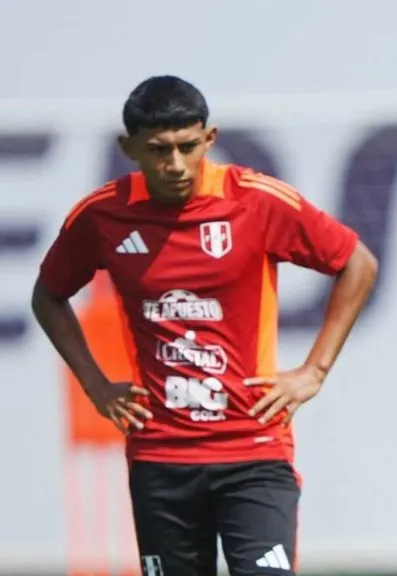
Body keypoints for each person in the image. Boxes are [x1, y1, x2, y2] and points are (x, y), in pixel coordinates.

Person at [32, 75, 378, 576]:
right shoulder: (102, 215)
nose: (175, 165)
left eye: (187, 147)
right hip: (160, 456)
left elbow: (357, 263)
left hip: (254, 450)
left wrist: (314, 370)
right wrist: (94, 385)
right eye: (158, 150)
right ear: (128, 148)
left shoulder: (255, 200)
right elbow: (49, 295)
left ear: (209, 139)